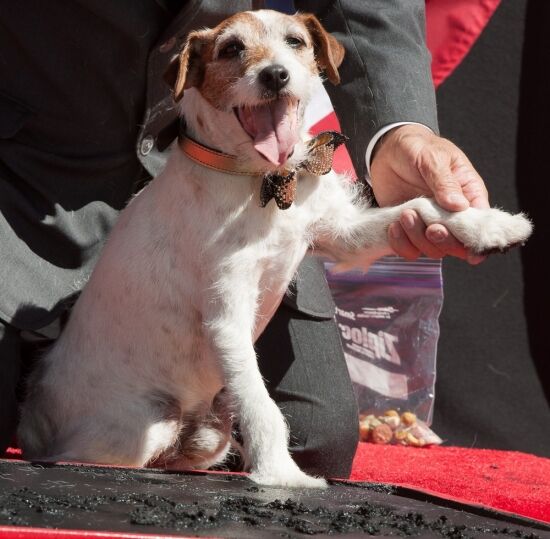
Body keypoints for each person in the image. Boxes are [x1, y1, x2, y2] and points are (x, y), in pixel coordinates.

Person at [0, 0, 488, 476]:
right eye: (235, 50)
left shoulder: (294, 160)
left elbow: (364, 9)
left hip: (234, 181)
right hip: (33, 186)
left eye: (294, 44)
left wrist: (404, 140)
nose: (274, 65)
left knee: (318, 442)